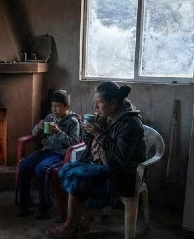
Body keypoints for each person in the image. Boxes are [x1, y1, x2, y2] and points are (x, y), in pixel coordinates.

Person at [47, 82, 146, 239]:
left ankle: (70, 227)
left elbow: (119, 159)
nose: (95, 106)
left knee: (78, 178)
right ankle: (86, 219)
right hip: (98, 161)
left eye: (99, 102)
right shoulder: (106, 116)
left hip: (121, 172)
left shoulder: (130, 123)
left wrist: (98, 134)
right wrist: (89, 130)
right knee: (64, 170)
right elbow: (89, 143)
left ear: (113, 103)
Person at [17, 90, 82, 218]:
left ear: (67, 107)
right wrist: (38, 128)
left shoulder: (73, 122)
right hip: (45, 151)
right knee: (24, 165)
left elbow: (73, 143)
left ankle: (45, 206)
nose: (54, 109)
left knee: (41, 169)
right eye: (52, 106)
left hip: (60, 154)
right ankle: (25, 204)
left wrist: (58, 131)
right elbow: (35, 134)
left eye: (58, 106)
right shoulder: (49, 117)